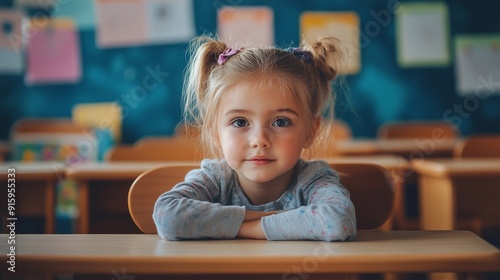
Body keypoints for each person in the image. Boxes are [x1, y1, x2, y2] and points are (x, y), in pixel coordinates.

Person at [153, 35, 356, 241]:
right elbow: (167, 216)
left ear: (310, 131)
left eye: (281, 122)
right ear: (214, 131)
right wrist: (258, 219)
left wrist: (245, 228)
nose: (259, 140)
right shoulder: (215, 179)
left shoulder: (312, 179)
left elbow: (338, 220)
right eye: (240, 122)